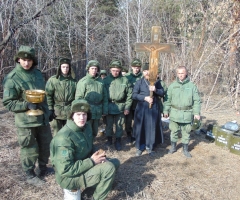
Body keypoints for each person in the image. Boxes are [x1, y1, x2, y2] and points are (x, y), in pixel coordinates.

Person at [2, 45, 53, 187]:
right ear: (18, 59)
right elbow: (8, 103)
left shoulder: (37, 74)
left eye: (29, 60)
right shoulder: (12, 78)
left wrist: (48, 112)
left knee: (46, 145)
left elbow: (43, 95)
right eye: (23, 59)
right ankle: (30, 174)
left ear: (33, 61)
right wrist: (26, 105)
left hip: (42, 119)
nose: (26, 63)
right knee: (29, 148)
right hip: (26, 122)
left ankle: (43, 168)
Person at [50, 99, 120, 200]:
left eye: (84, 114)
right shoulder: (63, 138)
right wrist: (92, 161)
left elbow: (90, 146)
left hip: (83, 165)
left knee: (115, 163)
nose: (82, 118)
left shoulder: (86, 127)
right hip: (69, 178)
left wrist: (100, 155)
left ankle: (91, 192)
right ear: (72, 115)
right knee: (108, 169)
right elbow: (66, 170)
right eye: (78, 114)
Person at [163, 66, 201, 158]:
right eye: (179, 73)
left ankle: (185, 149)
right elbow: (167, 100)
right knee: (173, 131)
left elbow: (196, 101)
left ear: (186, 73)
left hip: (187, 113)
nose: (180, 75)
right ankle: (173, 147)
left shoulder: (192, 86)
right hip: (175, 112)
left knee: (186, 132)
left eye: (182, 73)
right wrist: (165, 110)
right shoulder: (172, 86)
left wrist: (196, 113)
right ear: (177, 74)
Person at [132, 63, 165, 156]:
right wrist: (144, 98)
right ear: (143, 72)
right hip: (141, 108)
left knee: (151, 127)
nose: (147, 73)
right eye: (145, 71)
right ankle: (140, 147)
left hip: (153, 109)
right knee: (141, 127)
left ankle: (150, 147)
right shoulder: (139, 82)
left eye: (149, 71)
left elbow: (162, 93)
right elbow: (134, 95)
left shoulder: (156, 82)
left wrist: (155, 90)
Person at [103, 59, 132, 151]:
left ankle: (118, 140)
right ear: (110, 70)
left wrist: (127, 107)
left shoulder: (125, 80)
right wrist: (104, 108)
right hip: (109, 106)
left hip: (120, 106)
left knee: (119, 125)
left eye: (117, 70)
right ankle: (109, 140)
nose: (115, 72)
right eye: (113, 70)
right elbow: (103, 95)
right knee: (109, 124)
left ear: (120, 70)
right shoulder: (106, 80)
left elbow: (129, 95)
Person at [75, 60, 108, 137]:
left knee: (95, 130)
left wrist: (105, 109)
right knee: (86, 130)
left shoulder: (100, 81)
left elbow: (105, 96)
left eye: (96, 69)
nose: (94, 70)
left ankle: (92, 144)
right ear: (88, 69)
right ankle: (87, 147)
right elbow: (78, 98)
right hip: (87, 110)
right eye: (92, 68)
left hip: (98, 110)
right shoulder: (83, 81)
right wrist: (81, 112)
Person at [45, 57, 77, 136]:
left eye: (67, 67)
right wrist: (50, 109)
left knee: (69, 132)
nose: (65, 69)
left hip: (69, 110)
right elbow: (48, 95)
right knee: (57, 132)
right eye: (63, 67)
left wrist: (75, 110)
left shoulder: (73, 81)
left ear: (69, 68)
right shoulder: (53, 80)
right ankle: (57, 147)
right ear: (60, 68)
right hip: (57, 110)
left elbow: (77, 97)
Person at [125, 58, 142, 143]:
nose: (136, 69)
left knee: (137, 121)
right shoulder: (126, 77)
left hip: (139, 103)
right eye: (135, 67)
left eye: (138, 67)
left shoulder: (142, 77)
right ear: (131, 67)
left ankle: (136, 135)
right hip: (129, 102)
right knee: (128, 121)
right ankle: (129, 134)